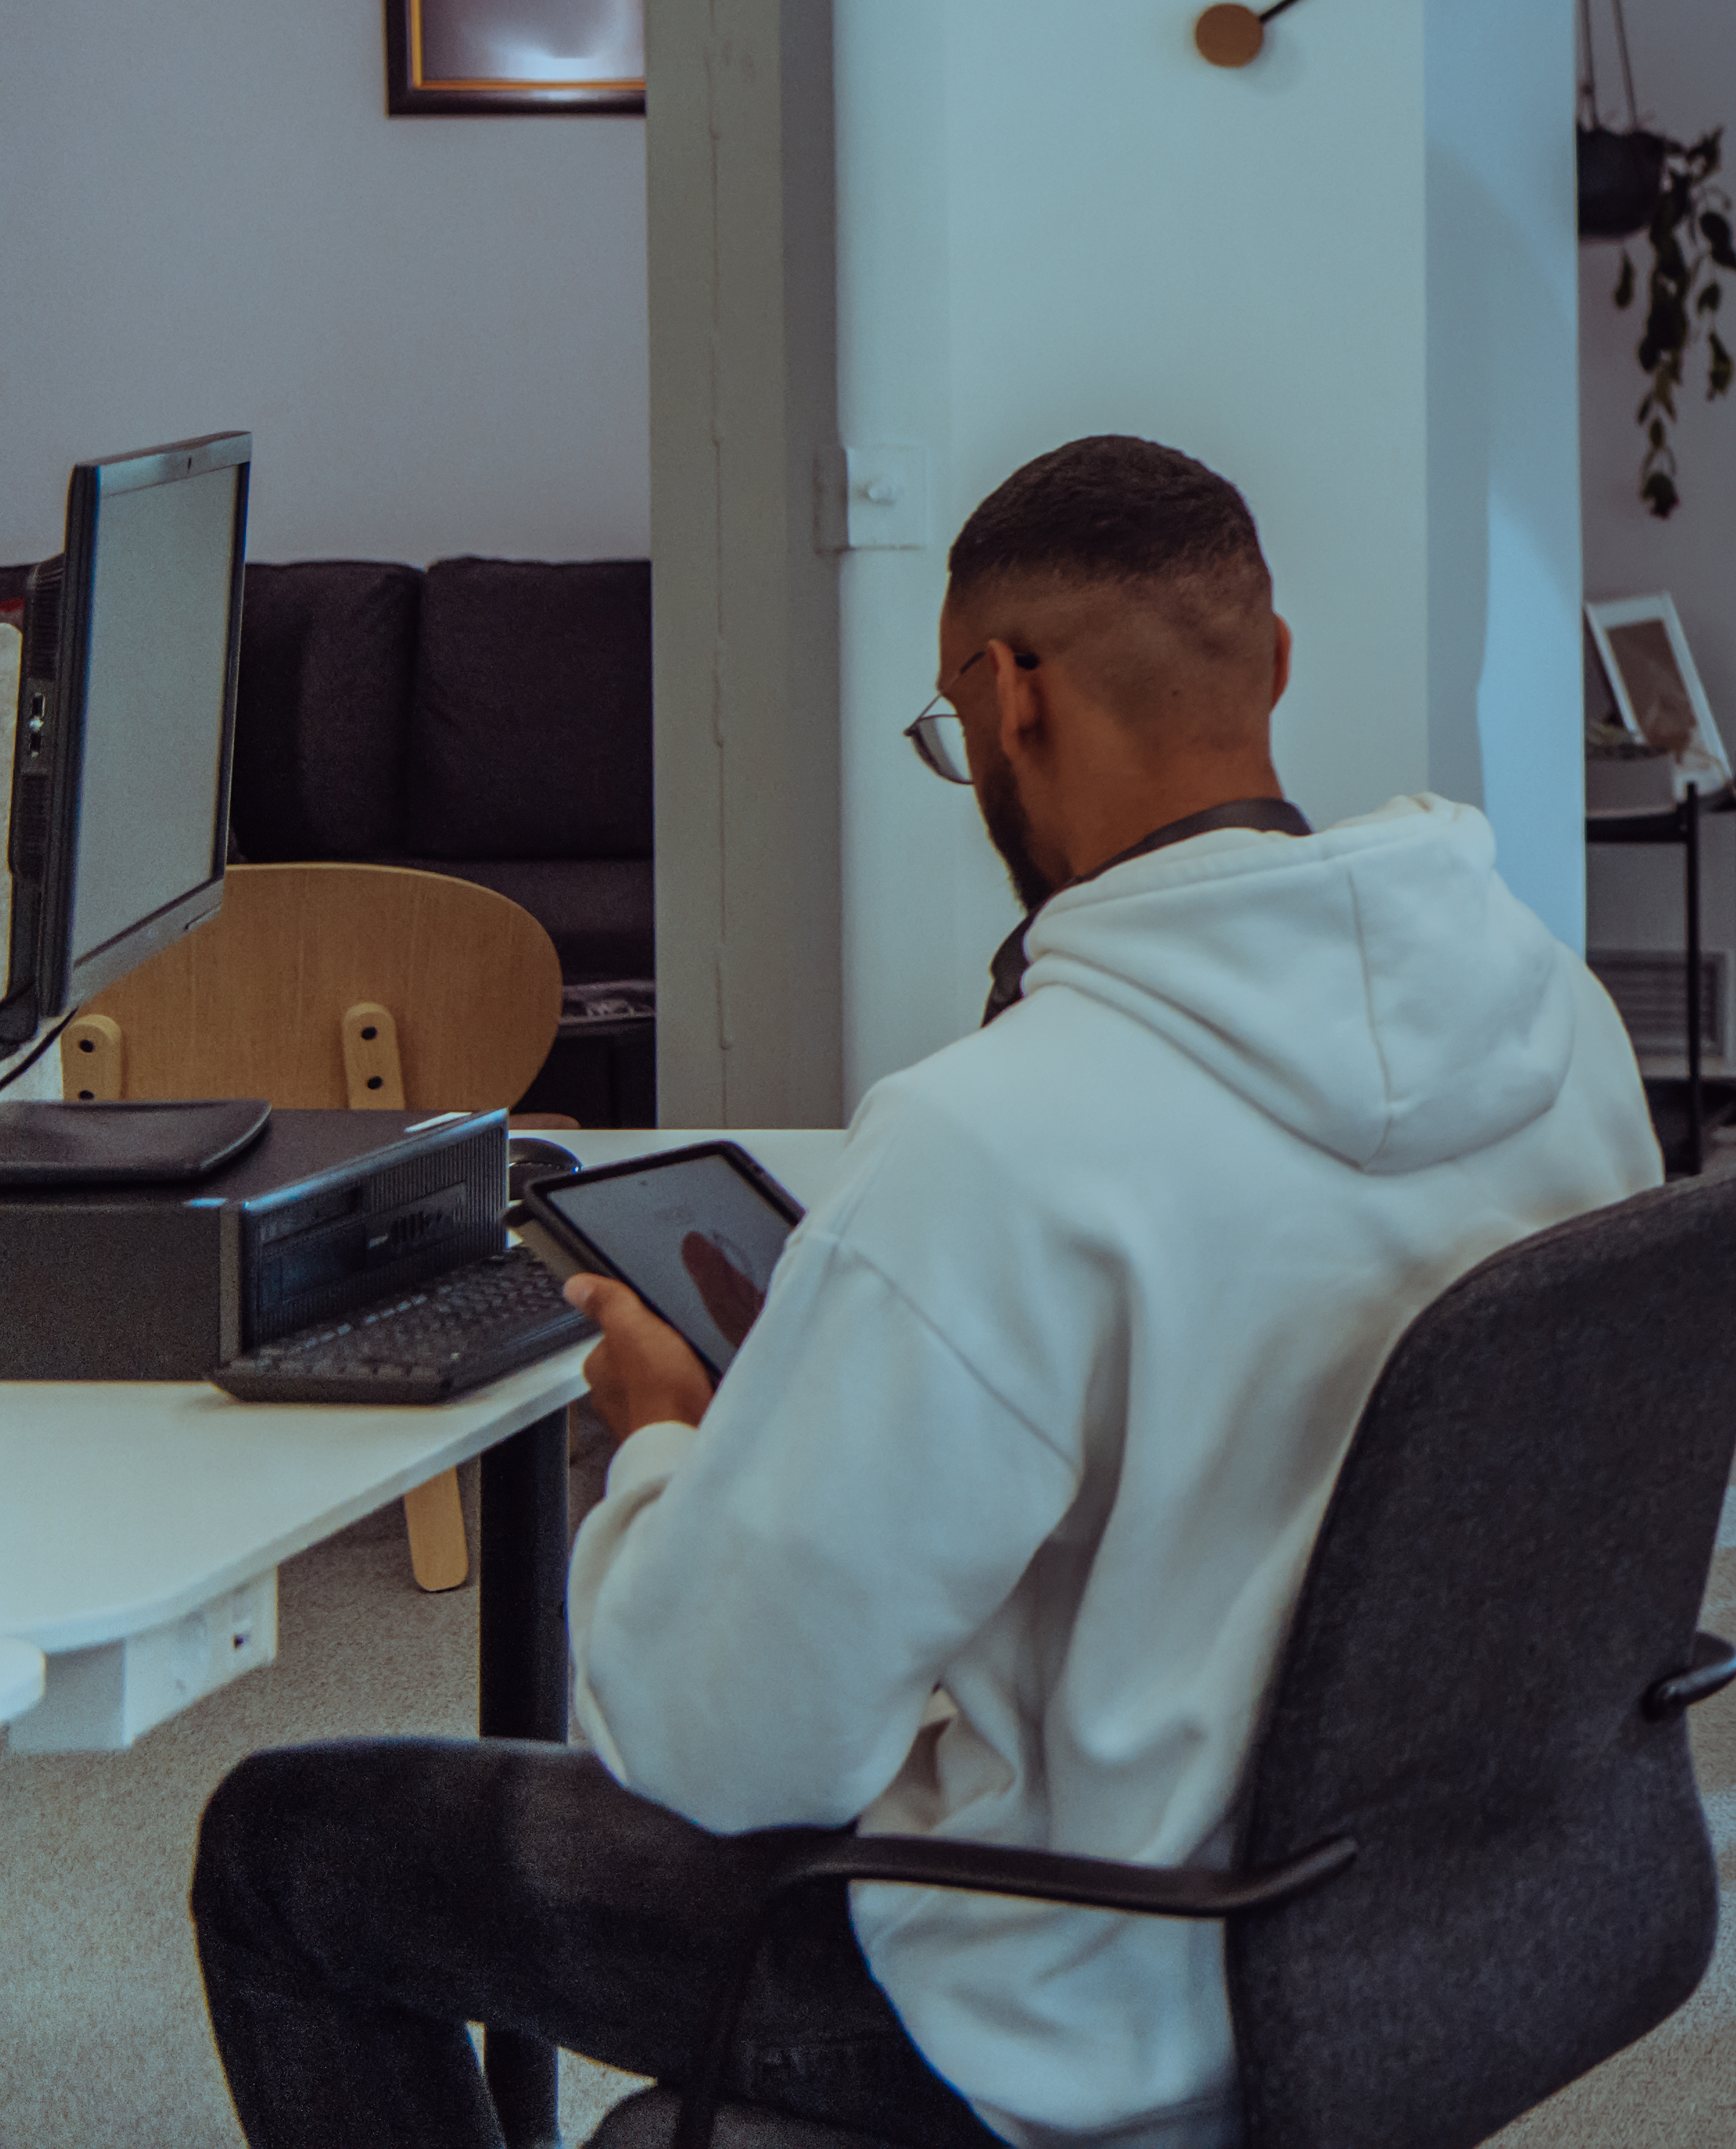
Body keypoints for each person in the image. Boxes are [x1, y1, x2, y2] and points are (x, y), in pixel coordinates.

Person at [191, 437, 1659, 2149]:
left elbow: (721, 1755)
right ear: (1273, 662)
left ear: (1008, 694)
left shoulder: (1000, 1138)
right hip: (1429, 1915)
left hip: (1081, 1999)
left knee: (286, 1854)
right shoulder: (1559, 1023)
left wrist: (669, 1443)